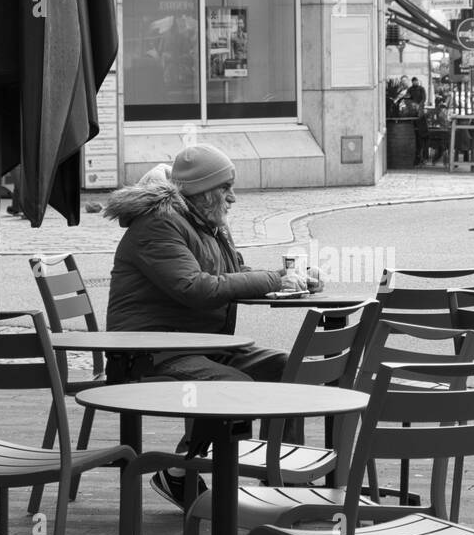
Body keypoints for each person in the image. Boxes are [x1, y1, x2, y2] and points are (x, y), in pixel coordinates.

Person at [103, 143, 319, 508]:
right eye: (225, 188)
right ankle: (186, 473)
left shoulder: (207, 222)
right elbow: (196, 288)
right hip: (150, 352)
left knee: (288, 370)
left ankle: (277, 479)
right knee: (232, 387)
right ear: (201, 192)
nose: (232, 197)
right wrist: (272, 280)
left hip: (199, 344)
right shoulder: (159, 224)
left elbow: (232, 275)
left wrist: (287, 278)